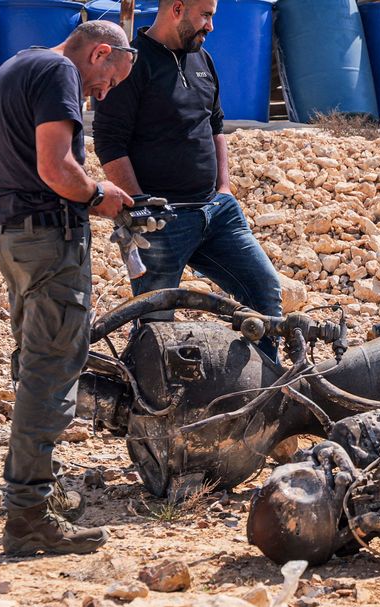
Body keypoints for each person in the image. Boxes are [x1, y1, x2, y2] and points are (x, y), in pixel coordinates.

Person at [0, 21, 136, 556]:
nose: (103, 92)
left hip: (11, 237)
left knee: (33, 362)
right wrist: (99, 194)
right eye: (108, 79)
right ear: (99, 53)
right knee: (51, 369)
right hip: (48, 241)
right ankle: (28, 514)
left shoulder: (17, 65)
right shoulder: (59, 72)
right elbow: (56, 166)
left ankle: (34, 489)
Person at [93, 0, 284, 359]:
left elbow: (215, 126)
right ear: (177, 9)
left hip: (216, 213)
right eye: (206, 15)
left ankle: (264, 388)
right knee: (156, 322)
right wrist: (139, 205)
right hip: (161, 222)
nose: (211, 26)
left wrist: (224, 189)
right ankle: (153, 407)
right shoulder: (131, 65)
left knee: (264, 292)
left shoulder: (202, 60)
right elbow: (109, 142)